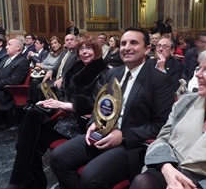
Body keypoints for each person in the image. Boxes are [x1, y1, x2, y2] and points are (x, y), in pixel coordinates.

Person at [50, 27, 175, 189]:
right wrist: (94, 123)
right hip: (102, 133)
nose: (127, 47)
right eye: (123, 43)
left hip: (131, 144)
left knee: (90, 176)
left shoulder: (159, 80)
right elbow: (100, 105)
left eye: (134, 43)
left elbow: (160, 124)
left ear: (147, 49)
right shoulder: (112, 73)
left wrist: (123, 135)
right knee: (58, 158)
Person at [130, 46, 206, 189]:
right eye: (199, 68)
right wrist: (167, 168)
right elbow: (162, 138)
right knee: (143, 181)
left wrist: (196, 187)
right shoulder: (186, 102)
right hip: (172, 168)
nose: (198, 74)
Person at [6, 35, 108, 189]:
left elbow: (95, 104)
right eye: (81, 49)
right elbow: (64, 93)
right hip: (63, 115)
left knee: (30, 141)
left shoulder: (104, 72)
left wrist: (63, 104)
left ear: (98, 50)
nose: (84, 52)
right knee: (32, 116)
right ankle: (25, 180)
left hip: (81, 121)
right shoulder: (76, 67)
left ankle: (25, 181)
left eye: (89, 48)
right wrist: (49, 101)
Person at [24, 36, 65, 110]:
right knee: (33, 81)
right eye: (52, 44)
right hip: (44, 73)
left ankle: (36, 104)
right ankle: (31, 102)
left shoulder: (62, 53)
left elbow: (55, 66)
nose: (53, 45)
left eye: (55, 43)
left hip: (53, 75)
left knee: (39, 85)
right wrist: (40, 66)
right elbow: (43, 63)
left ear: (60, 44)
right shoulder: (50, 53)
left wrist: (43, 66)